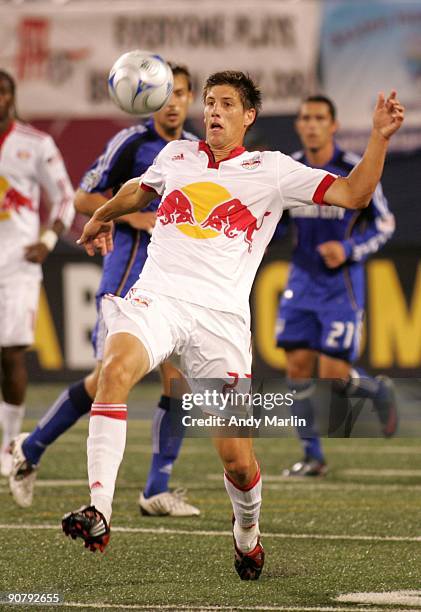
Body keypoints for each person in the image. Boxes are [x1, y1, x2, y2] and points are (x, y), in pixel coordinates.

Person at [61, 71, 404, 580]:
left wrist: (377, 137)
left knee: (237, 459)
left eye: (225, 103)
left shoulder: (273, 170)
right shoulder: (176, 154)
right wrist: (103, 214)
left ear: (248, 116)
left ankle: (248, 534)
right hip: (158, 299)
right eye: (209, 101)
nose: (213, 110)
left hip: (219, 322)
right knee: (114, 369)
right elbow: (140, 189)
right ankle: (99, 510)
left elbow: (355, 194)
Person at [9, 63, 200, 517]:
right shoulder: (131, 142)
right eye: (166, 92)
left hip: (172, 284)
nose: (173, 100)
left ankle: (155, 488)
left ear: (191, 99)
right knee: (106, 384)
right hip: (126, 276)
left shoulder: (196, 153)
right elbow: (82, 197)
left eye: (181, 93)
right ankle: (31, 448)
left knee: (180, 384)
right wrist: (129, 214)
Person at [276, 95, 398, 477]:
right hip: (300, 282)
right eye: (305, 117)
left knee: (332, 374)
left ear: (334, 125)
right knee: (296, 368)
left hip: (339, 287)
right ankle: (313, 455)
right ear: (298, 124)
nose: (311, 124)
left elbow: (385, 223)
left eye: (319, 118)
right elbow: (276, 221)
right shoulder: (289, 168)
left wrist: (348, 248)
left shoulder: (351, 168)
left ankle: (378, 391)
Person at [0, 70, 74, 477]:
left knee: (11, 353)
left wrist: (48, 239)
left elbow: (65, 196)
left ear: (12, 97)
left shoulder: (35, 144)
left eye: (3, 91)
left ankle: (8, 444)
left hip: (17, 264)